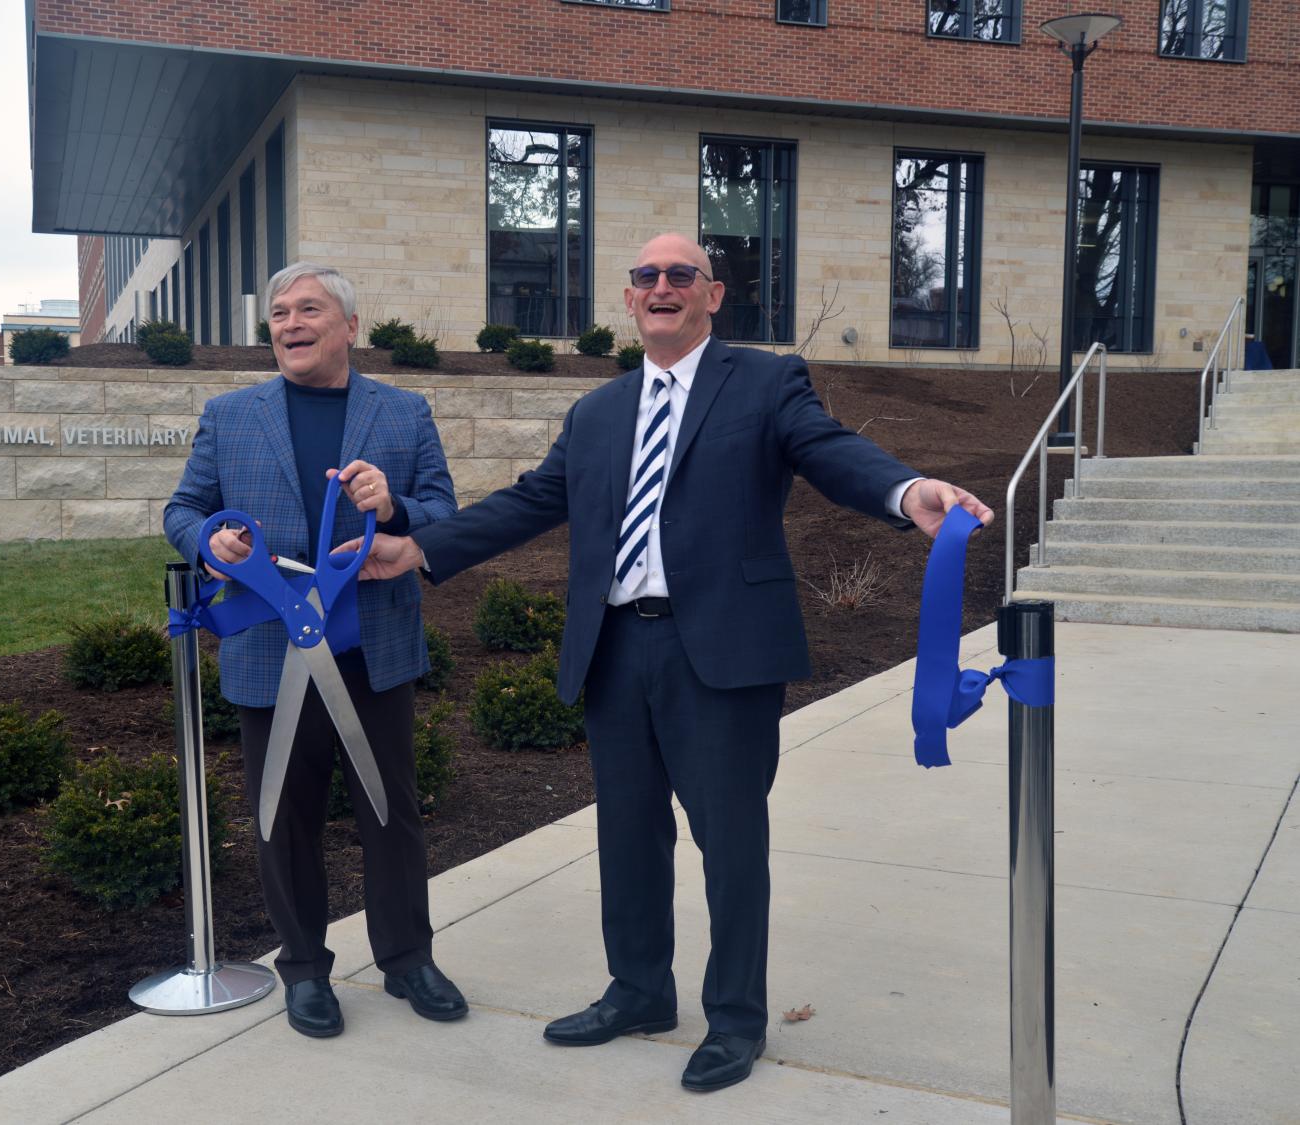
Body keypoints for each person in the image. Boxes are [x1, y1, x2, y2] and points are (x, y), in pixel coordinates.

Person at [353, 233, 993, 1091]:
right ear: (628, 301)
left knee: (729, 842)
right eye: (646, 276)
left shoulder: (766, 382)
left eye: (680, 275)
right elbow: (533, 501)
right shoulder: (599, 411)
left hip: (721, 652)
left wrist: (906, 490)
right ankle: (640, 990)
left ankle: (735, 1018)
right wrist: (418, 549)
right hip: (618, 646)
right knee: (628, 834)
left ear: (712, 295)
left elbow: (828, 448)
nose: (662, 287)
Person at [164, 262, 465, 1039]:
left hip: (374, 649)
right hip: (272, 650)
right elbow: (183, 509)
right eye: (278, 314)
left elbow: (442, 512)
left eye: (308, 309)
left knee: (390, 809)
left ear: (349, 327)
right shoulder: (230, 415)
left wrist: (395, 506)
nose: (289, 324)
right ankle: (303, 970)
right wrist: (210, 541)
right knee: (284, 817)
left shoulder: (403, 413)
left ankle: (407, 960)